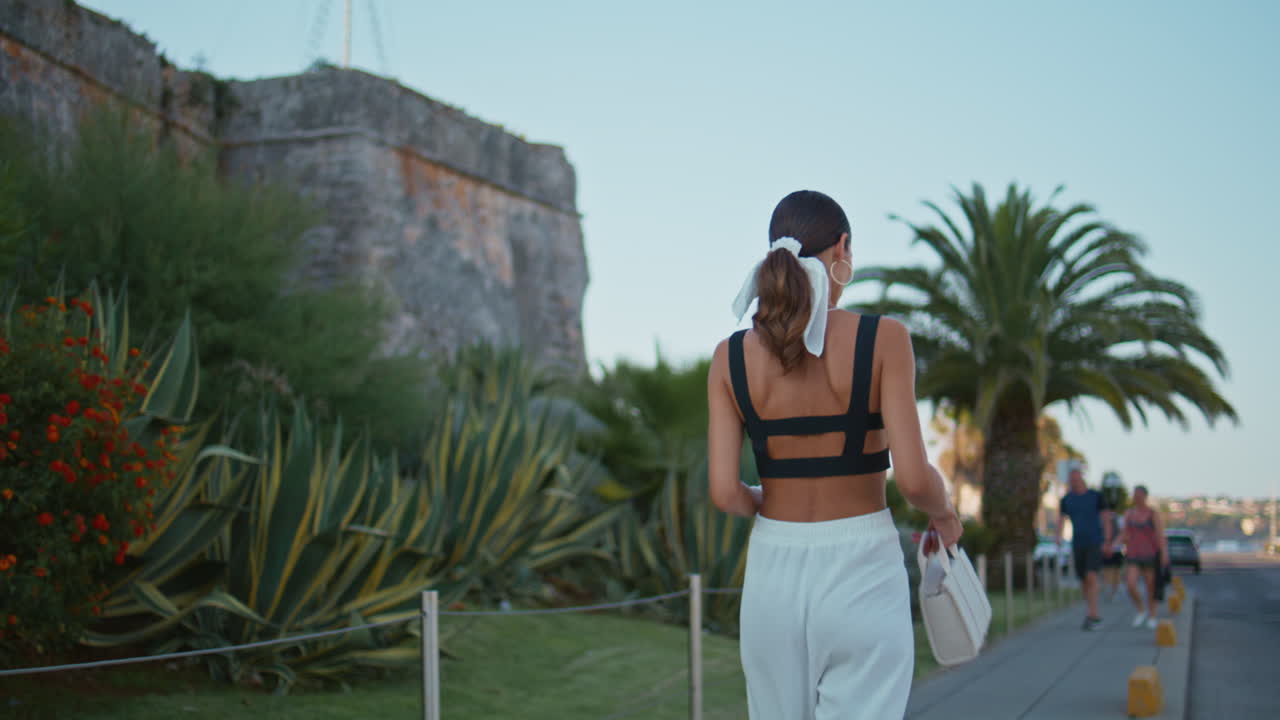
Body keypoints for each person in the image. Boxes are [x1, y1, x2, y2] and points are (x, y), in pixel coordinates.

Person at [706, 190, 960, 720]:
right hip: (862, 571)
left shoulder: (729, 358)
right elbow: (913, 479)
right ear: (842, 248)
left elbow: (725, 492)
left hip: (772, 578)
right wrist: (944, 513)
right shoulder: (884, 339)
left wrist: (767, 503)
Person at [1055, 468, 1112, 630]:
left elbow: (1106, 517)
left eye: (1076, 479)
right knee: (1083, 580)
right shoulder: (1067, 500)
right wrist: (1058, 536)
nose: (1074, 482)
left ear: (1082, 479)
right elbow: (1061, 519)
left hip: (1095, 542)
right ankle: (1091, 610)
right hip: (1077, 543)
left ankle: (1093, 614)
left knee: (1091, 575)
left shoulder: (1096, 497)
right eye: (1071, 480)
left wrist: (1107, 539)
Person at [1122, 485, 1169, 629]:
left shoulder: (1153, 514)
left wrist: (1164, 553)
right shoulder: (1129, 514)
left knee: (1151, 586)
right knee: (1130, 584)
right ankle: (1141, 609)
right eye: (1134, 494)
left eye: (1139, 494)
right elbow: (1125, 533)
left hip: (1150, 553)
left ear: (1144, 496)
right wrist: (1117, 543)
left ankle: (1152, 615)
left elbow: (1160, 535)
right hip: (1133, 554)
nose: (1136, 497)